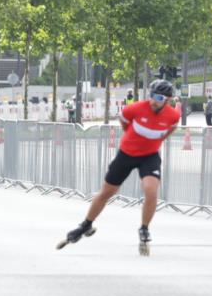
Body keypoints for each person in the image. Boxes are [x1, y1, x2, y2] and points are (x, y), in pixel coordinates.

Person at [57, 79, 180, 256]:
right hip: (127, 154)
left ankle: (144, 228)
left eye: (159, 97)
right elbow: (125, 123)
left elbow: (169, 131)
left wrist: (153, 143)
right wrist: (134, 138)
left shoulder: (173, 116)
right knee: (107, 192)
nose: (154, 100)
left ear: (168, 100)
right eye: (152, 95)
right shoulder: (134, 109)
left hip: (149, 156)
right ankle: (86, 224)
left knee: (151, 190)